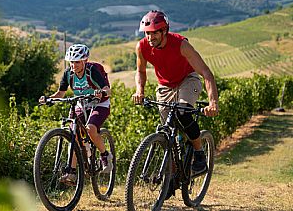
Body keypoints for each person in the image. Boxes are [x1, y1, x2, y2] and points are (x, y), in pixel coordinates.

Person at [131, 10, 219, 198]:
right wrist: (140, 91)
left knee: (182, 113)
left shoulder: (181, 45)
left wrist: (213, 103)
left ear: (164, 31)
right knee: (168, 132)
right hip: (165, 85)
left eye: (155, 32)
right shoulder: (142, 47)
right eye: (147, 33)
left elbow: (206, 73)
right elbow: (141, 71)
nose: (150, 36)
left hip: (188, 80)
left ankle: (199, 153)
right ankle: (172, 175)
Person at [39, 43, 113, 185]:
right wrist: (48, 99)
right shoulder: (68, 73)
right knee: (73, 134)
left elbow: (107, 89)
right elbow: (60, 93)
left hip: (99, 103)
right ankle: (71, 172)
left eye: (77, 62)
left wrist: (101, 92)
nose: (74, 65)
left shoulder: (92, 71)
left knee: (91, 128)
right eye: (71, 62)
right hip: (81, 103)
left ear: (85, 60)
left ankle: (105, 155)